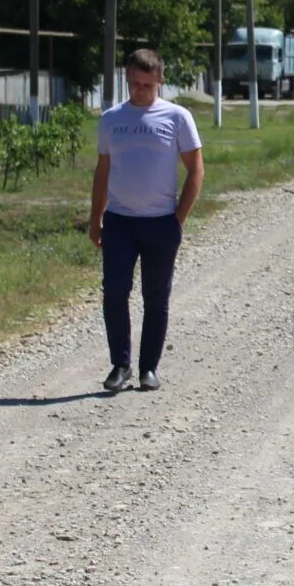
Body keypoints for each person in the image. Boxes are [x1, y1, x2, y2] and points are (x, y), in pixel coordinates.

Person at [88, 49, 204, 393]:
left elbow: (196, 170)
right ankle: (120, 365)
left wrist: (178, 217)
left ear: (160, 82)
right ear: (127, 79)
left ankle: (148, 368)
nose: (140, 91)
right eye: (135, 84)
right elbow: (102, 171)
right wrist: (95, 218)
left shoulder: (177, 117)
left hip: (160, 222)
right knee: (115, 293)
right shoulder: (111, 119)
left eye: (147, 85)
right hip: (120, 221)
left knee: (156, 297)